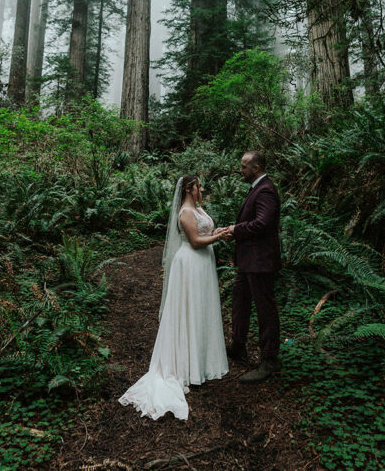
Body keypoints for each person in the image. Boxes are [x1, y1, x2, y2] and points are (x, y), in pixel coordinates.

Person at [119, 175, 230, 420]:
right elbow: (196, 241)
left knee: (201, 311)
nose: (202, 189)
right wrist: (219, 238)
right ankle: (185, 366)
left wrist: (218, 231)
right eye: (199, 186)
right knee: (189, 311)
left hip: (202, 265)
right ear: (190, 189)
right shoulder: (185, 212)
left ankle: (200, 362)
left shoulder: (197, 208)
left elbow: (206, 231)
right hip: (190, 264)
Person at [222, 150, 282, 383]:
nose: (241, 169)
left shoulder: (266, 189)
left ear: (256, 168)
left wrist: (236, 230)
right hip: (248, 262)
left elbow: (263, 223)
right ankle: (238, 346)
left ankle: (269, 360)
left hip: (260, 263)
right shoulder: (258, 187)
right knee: (240, 301)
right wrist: (234, 229)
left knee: (265, 310)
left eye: (244, 166)